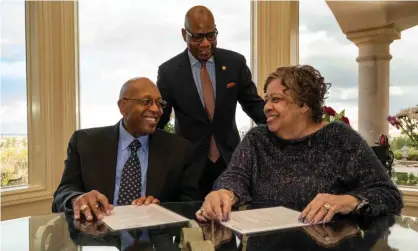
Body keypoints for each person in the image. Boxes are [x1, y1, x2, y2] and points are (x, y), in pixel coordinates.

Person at [196, 65, 403, 223]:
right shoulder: (257, 139)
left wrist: (350, 200)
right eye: (266, 99)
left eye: (276, 99)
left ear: (304, 105)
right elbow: (235, 177)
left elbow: (389, 195)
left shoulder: (339, 138)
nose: (266, 106)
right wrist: (224, 193)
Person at [52, 77, 200, 221]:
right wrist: (77, 199)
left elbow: (190, 204)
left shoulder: (179, 148)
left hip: (154, 239)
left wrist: (161, 210)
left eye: (159, 103)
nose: (156, 109)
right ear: (122, 106)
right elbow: (62, 193)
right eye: (146, 101)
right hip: (98, 237)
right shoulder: (85, 142)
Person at [156, 5, 266, 198]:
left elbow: (254, 106)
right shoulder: (169, 72)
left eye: (211, 35)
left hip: (230, 163)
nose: (206, 43)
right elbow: (160, 121)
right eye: (198, 37)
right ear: (184, 35)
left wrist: (282, 128)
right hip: (190, 167)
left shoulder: (235, 63)